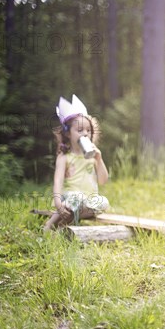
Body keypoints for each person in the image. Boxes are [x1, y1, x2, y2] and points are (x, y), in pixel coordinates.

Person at [44, 95, 110, 231]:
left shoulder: (93, 155)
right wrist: (58, 204)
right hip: (69, 198)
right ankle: (49, 225)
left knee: (104, 202)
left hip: (88, 199)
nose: (85, 133)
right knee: (76, 197)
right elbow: (58, 182)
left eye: (88, 130)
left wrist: (99, 159)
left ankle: (67, 221)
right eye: (80, 130)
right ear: (68, 134)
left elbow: (103, 181)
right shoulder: (64, 157)